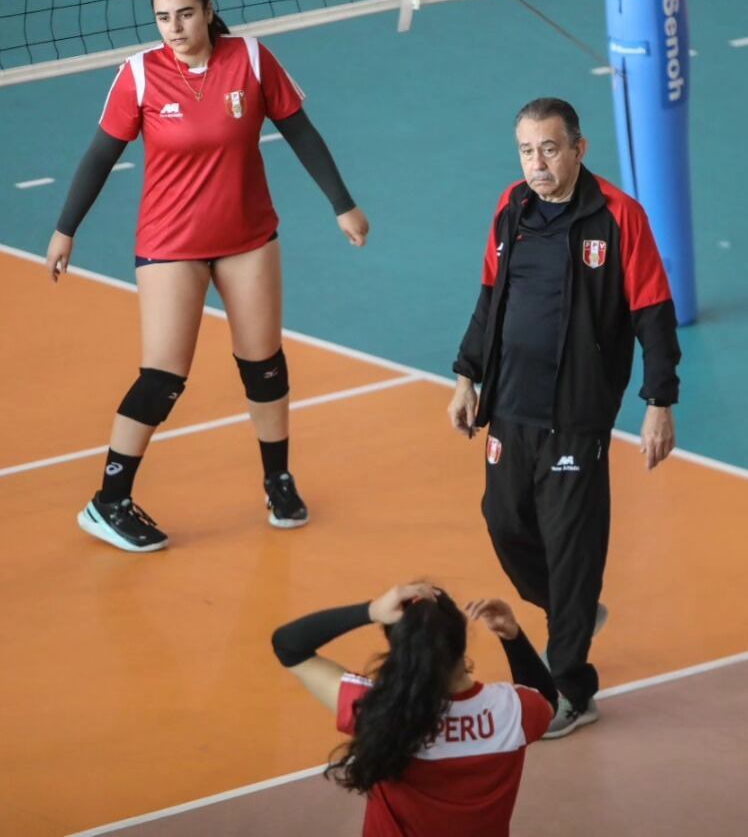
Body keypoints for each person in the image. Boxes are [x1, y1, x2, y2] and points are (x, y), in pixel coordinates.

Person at [45, 0, 369, 553]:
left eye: (184, 14)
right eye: (163, 17)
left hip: (247, 237)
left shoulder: (249, 60)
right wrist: (66, 230)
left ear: (208, 10)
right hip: (170, 244)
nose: (173, 26)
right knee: (163, 376)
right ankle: (108, 501)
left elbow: (301, 130)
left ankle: (278, 480)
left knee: (263, 363)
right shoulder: (139, 77)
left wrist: (341, 204)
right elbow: (98, 157)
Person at [446, 97, 682, 738]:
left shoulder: (617, 217)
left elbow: (653, 314)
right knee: (504, 522)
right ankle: (569, 610)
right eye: (527, 150)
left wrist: (660, 402)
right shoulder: (511, 209)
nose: (538, 162)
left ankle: (573, 691)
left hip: (576, 416)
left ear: (578, 148)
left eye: (549, 148)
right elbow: (490, 296)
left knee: (572, 551)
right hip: (511, 404)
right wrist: (467, 375)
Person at [271, 582, 557, 835]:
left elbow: (288, 645)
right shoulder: (511, 711)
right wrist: (513, 638)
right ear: (461, 638)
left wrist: (369, 610)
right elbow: (546, 702)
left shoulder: (379, 709)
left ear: (400, 647)